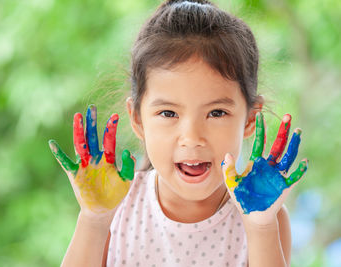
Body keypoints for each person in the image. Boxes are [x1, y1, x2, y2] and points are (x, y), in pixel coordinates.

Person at [48, 0, 309, 266]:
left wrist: (261, 227)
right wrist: (93, 221)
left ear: (250, 119)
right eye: (169, 114)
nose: (192, 138)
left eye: (217, 113)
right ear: (137, 119)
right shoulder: (115, 204)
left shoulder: (266, 215)